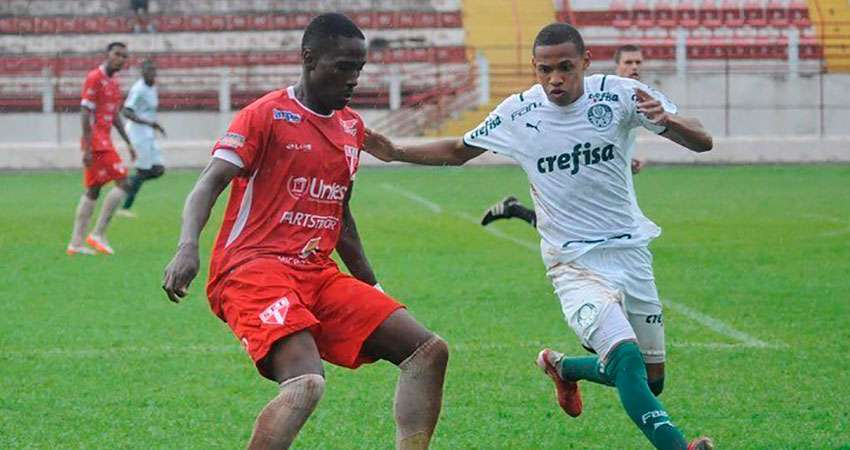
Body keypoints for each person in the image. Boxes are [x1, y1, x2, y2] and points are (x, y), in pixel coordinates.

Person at [363, 23, 714, 450]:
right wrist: (396, 151)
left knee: (650, 381)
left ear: (585, 62)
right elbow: (459, 150)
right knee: (625, 360)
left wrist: (671, 122)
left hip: (630, 253)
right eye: (545, 69)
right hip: (572, 264)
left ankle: (563, 368)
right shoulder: (519, 112)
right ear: (534, 67)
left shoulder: (619, 94)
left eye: (566, 68)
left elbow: (703, 141)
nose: (555, 80)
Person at [161, 14, 448, 450]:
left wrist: (372, 285)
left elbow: (340, 214)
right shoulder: (265, 115)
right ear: (308, 58)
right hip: (251, 269)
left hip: (316, 272)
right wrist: (187, 247)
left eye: (359, 68)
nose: (353, 79)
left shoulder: (351, 127)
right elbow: (209, 182)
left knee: (428, 353)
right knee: (305, 384)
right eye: (343, 67)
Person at [481, 44, 646, 229]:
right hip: (569, 167)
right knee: (571, 226)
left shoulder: (633, 96)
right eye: (629, 62)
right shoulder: (599, 95)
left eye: (638, 62)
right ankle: (516, 209)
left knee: (575, 226)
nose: (634, 67)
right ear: (617, 65)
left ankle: (515, 209)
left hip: (602, 178)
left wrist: (624, 159)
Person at [67, 42, 136, 256]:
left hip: (104, 140)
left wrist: (129, 143)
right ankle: (97, 234)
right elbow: (84, 112)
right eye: (117, 54)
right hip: (97, 143)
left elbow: (115, 117)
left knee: (93, 190)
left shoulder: (114, 84)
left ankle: (76, 243)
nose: (121, 59)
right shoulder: (94, 77)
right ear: (107, 55)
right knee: (124, 182)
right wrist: (87, 147)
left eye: (124, 56)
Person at [117, 59, 166, 218]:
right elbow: (126, 111)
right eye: (148, 71)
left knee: (158, 170)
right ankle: (124, 207)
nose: (151, 74)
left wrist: (153, 125)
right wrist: (149, 123)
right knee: (143, 170)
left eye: (153, 71)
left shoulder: (152, 88)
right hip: (137, 134)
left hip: (148, 134)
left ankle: (126, 184)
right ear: (142, 73)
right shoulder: (138, 89)